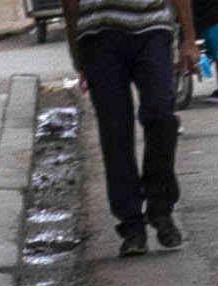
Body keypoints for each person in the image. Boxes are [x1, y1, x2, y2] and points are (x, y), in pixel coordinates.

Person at [74, 0, 180, 241]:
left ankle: (160, 207)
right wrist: (77, 51)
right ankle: (131, 222)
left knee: (161, 114)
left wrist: (189, 39)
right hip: (98, 36)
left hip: (152, 27)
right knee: (114, 129)